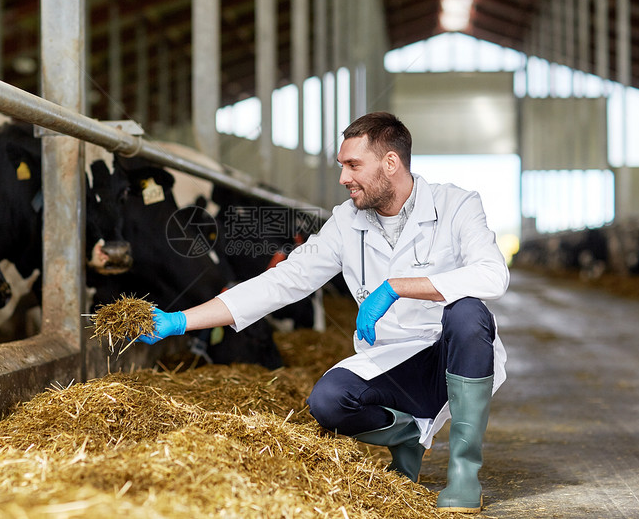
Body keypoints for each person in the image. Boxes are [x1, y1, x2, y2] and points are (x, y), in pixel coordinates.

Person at [138, 111, 509, 514]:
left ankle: (463, 475)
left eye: (353, 165)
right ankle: (406, 436)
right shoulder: (346, 222)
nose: (343, 178)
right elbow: (280, 283)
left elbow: (493, 275)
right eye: (341, 166)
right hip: (392, 358)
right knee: (328, 403)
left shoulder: (456, 205)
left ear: (390, 163)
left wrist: (397, 288)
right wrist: (181, 320)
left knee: (469, 313)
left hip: (452, 356)